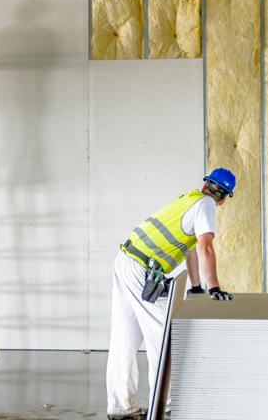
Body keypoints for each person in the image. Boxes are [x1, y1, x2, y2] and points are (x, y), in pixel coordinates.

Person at [106, 168, 236, 420]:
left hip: (126, 259)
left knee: (125, 337)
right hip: (141, 269)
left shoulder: (187, 200)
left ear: (205, 183)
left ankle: (121, 408)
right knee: (163, 336)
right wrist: (214, 287)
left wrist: (197, 286)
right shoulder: (206, 205)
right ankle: (165, 406)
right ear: (223, 197)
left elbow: (189, 250)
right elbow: (205, 247)